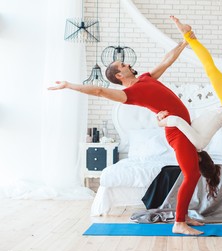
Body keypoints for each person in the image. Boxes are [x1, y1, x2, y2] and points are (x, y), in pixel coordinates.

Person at [48, 41, 205, 235]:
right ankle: (179, 223)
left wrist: (185, 40)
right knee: (192, 174)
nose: (127, 64)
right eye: (123, 65)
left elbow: (167, 61)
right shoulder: (129, 94)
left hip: (184, 129)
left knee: (192, 173)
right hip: (177, 132)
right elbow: (99, 91)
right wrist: (69, 85)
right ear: (119, 75)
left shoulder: (147, 78)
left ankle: (184, 217)